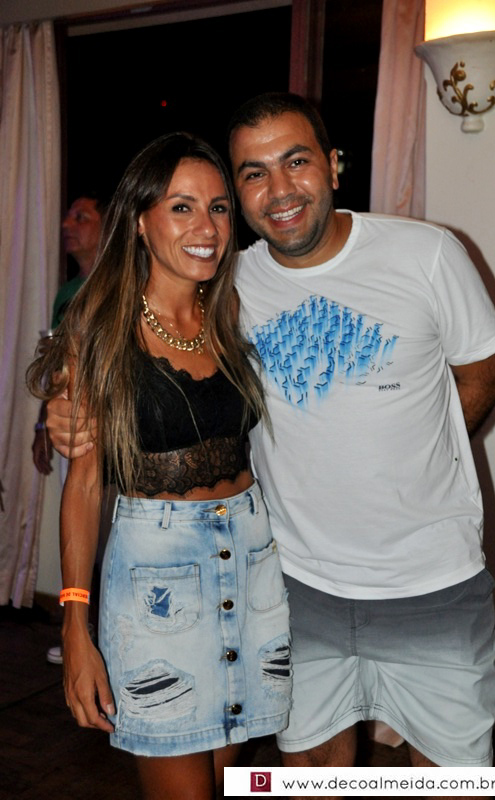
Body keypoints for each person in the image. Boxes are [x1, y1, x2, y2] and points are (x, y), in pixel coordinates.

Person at [46, 94, 495, 780]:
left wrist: (413, 455)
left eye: (296, 162)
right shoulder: (225, 285)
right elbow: (96, 441)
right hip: (292, 584)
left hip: (410, 582)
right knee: (307, 775)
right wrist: (63, 415)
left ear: (333, 165)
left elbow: (487, 372)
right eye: (253, 174)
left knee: (455, 780)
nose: (279, 189)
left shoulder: (418, 255)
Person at [27, 132, 291, 800]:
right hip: (156, 579)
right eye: (181, 207)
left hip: (253, 560)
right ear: (140, 221)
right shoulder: (99, 326)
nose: (207, 227)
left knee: (225, 778)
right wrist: (76, 624)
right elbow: (85, 484)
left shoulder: (231, 308)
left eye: (219, 207)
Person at [32, 192, 105, 666]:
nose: (67, 225)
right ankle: (81, 628)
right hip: (71, 425)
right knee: (78, 525)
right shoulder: (66, 294)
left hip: (116, 428)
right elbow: (55, 366)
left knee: (113, 533)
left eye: (81, 216)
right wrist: (42, 424)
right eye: (67, 216)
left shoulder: (123, 283)